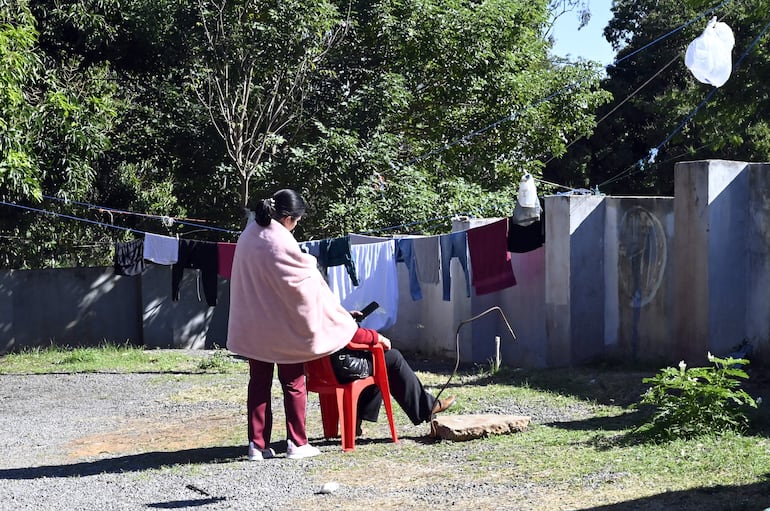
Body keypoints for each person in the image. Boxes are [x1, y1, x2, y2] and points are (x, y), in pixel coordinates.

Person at [227, 189, 455, 460]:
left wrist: (344, 315)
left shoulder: (250, 234)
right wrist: (361, 328)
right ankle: (297, 444)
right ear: (288, 218)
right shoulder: (282, 243)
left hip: (255, 326)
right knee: (293, 383)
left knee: (259, 383)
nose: (297, 227)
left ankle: (257, 445)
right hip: (290, 333)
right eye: (297, 221)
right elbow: (313, 302)